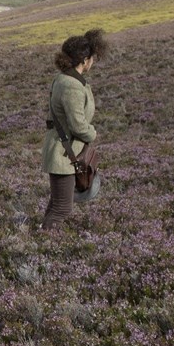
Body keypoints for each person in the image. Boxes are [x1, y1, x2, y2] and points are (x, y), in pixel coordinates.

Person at [41, 28, 109, 231]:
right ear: (85, 59)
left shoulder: (65, 79)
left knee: (57, 205)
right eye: (92, 58)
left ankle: (42, 238)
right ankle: (46, 244)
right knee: (62, 208)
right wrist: (92, 133)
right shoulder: (71, 85)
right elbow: (78, 124)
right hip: (65, 154)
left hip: (64, 151)